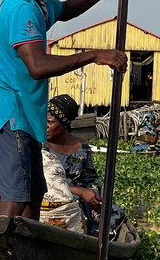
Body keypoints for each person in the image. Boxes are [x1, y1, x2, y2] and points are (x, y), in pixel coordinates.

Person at [0, 0, 134, 221]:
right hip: (8, 114)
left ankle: (27, 255)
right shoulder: (22, 8)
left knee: (34, 194)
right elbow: (37, 65)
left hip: (24, 117)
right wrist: (93, 55)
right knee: (15, 199)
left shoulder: (37, 2)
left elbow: (68, 9)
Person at [45, 93, 125, 238]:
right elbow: (43, 181)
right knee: (72, 208)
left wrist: (94, 197)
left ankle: (96, 235)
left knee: (114, 211)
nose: (46, 126)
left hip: (82, 198)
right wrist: (80, 192)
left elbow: (91, 179)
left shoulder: (82, 147)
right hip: (52, 197)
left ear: (63, 124)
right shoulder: (40, 146)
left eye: (50, 122)